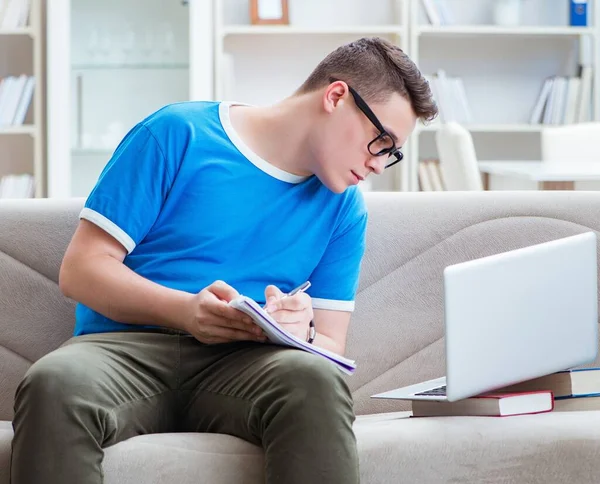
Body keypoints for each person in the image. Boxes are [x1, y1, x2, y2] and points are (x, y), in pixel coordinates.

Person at [10, 36, 437, 484]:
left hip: (246, 364)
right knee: (54, 384)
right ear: (336, 97)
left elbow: (330, 346)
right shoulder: (177, 133)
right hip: (123, 351)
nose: (378, 164)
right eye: (380, 141)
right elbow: (82, 269)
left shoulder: (344, 210)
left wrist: (300, 330)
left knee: (315, 381)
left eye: (392, 153)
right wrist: (187, 312)